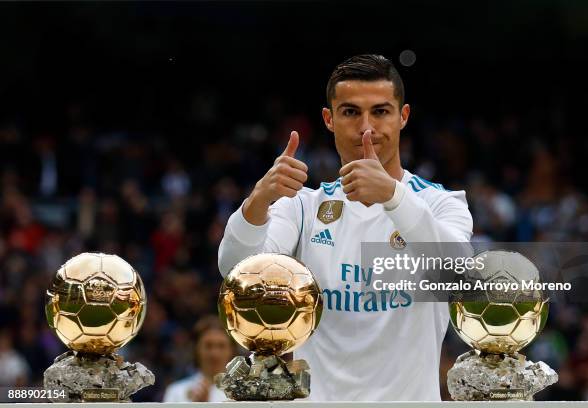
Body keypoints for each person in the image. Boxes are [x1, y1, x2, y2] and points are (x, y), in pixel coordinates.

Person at [218, 54, 473, 401]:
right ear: (329, 119)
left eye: (381, 111)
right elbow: (236, 271)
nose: (366, 127)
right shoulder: (303, 207)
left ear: (404, 117)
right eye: (351, 112)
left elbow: (459, 275)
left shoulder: (442, 203)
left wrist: (393, 197)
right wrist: (258, 200)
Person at [163, 317, 235, 402]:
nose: (214, 354)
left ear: (232, 350)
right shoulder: (177, 392)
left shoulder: (242, 394)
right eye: (208, 346)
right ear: (196, 349)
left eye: (221, 346)